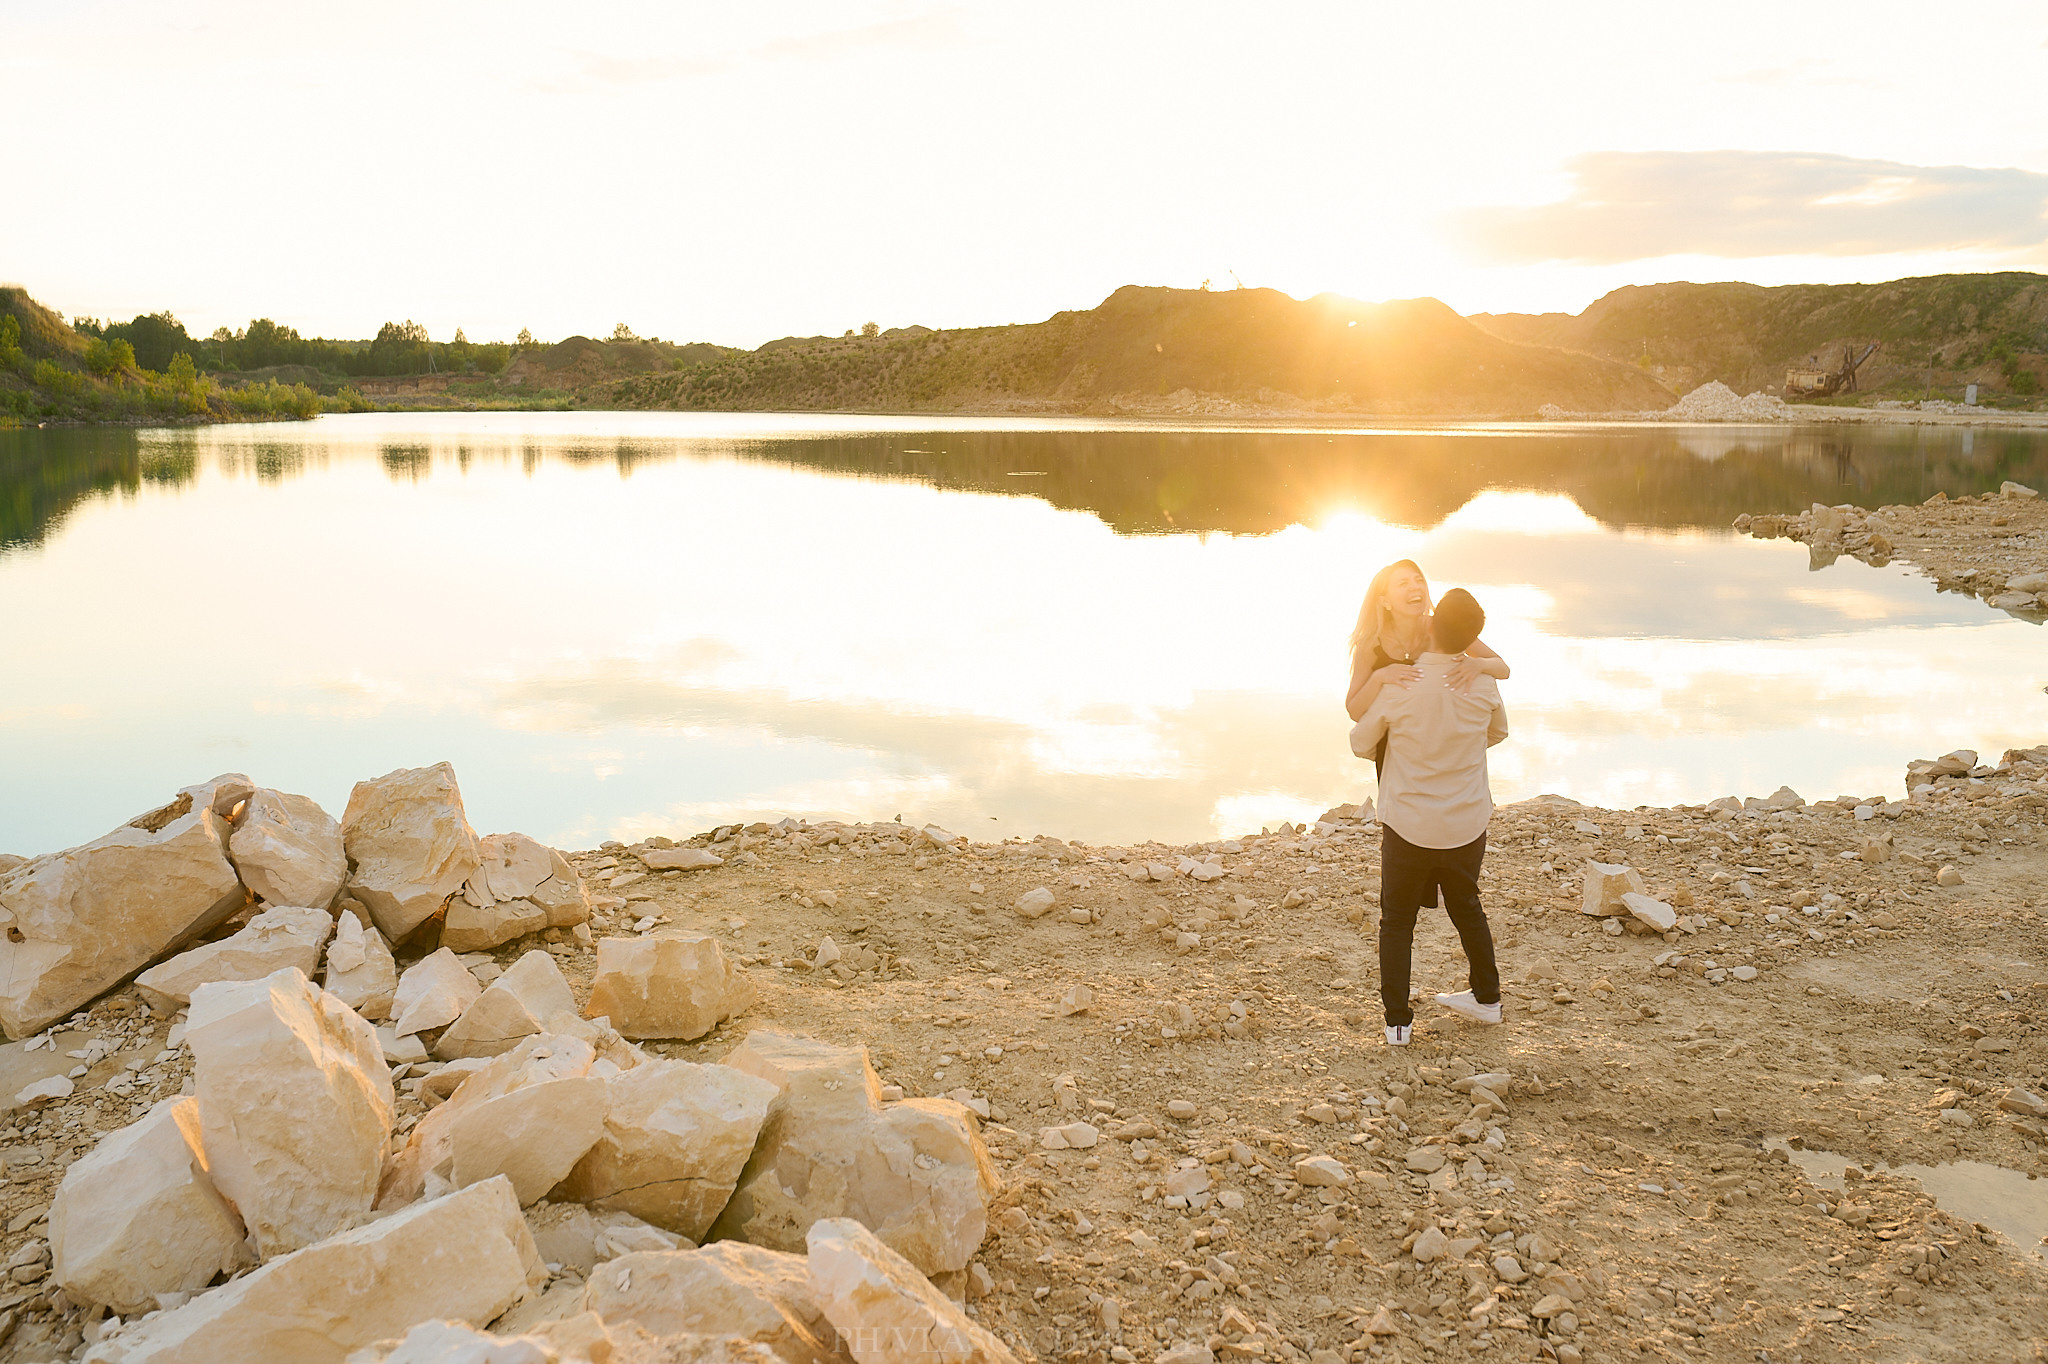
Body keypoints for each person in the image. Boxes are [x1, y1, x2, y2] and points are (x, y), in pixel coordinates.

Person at [1348, 588, 1508, 1046]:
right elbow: (1497, 732)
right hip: (1466, 822)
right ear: (1473, 638)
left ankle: (1398, 1023)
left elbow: (1361, 743)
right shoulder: (1482, 681)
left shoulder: (1404, 684)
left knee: (1397, 921)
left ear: (1432, 626)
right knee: (1467, 907)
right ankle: (1488, 999)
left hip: (1409, 824)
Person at [1344, 560, 1509, 741]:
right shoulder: (1371, 645)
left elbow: (1503, 670)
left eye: (1419, 580)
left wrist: (1479, 664)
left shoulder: (1441, 627)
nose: (1415, 587)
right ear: (1385, 600)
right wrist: (1380, 677)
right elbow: (1355, 711)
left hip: (1443, 744)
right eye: (1403, 583)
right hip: (1395, 756)